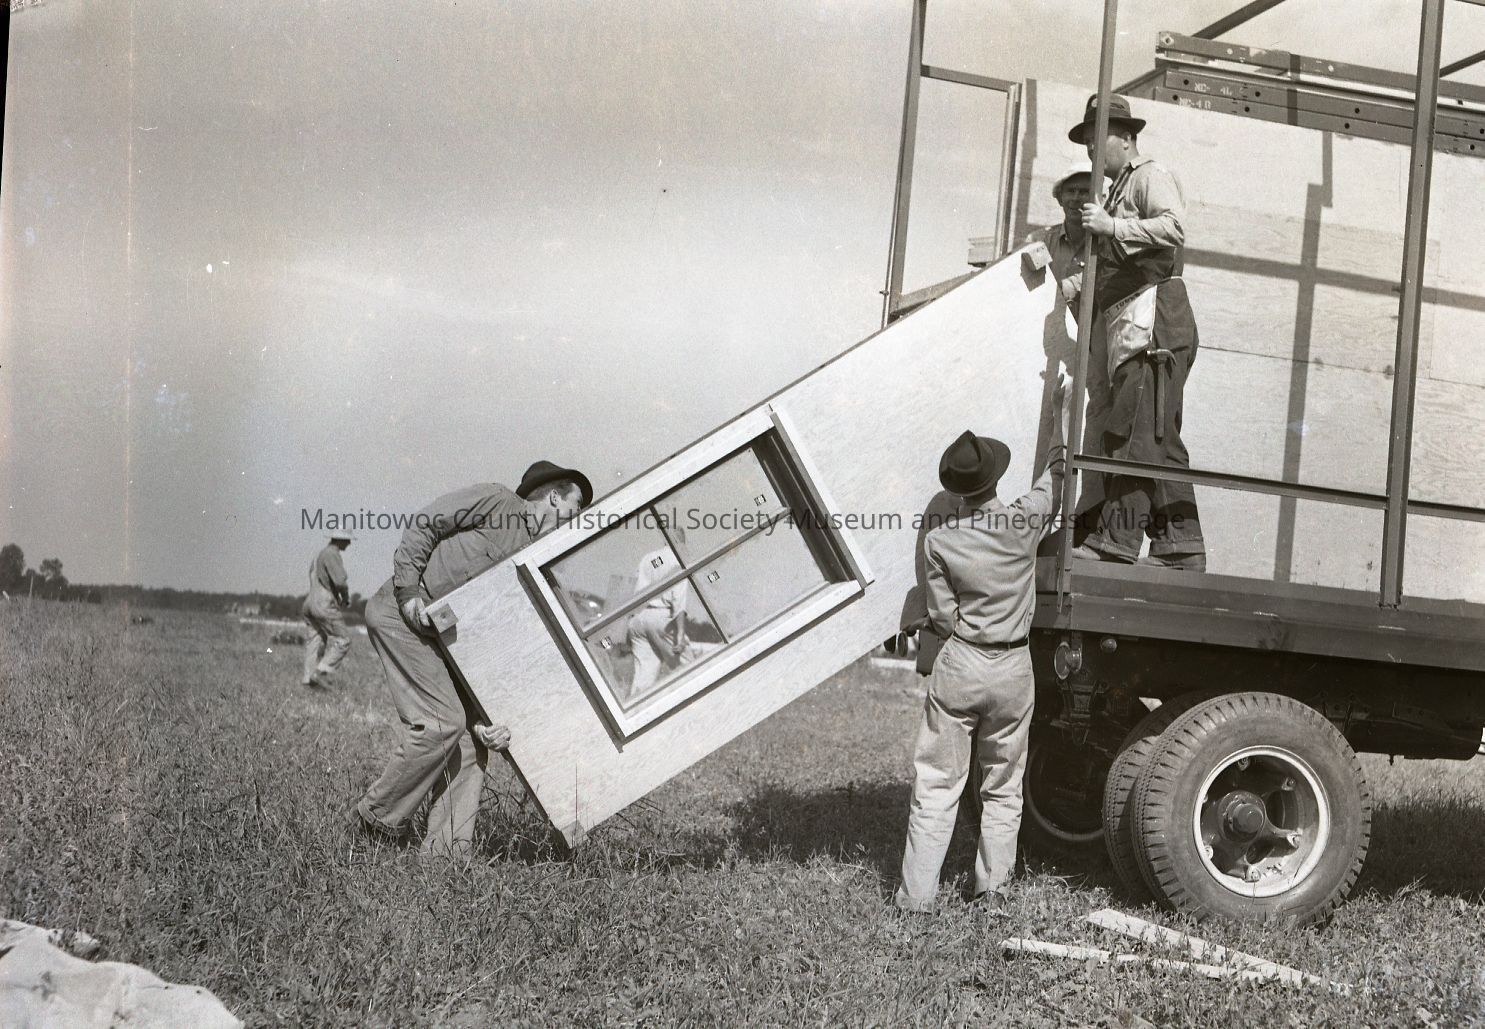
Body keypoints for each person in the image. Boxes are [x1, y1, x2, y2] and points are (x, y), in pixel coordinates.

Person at [895, 373, 1072, 915]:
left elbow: (943, 616)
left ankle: (916, 899)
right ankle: (991, 892)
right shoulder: (1023, 520)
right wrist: (1060, 411)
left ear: (955, 491)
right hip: (1014, 666)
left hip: (962, 662)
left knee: (937, 784)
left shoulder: (939, 541)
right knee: (1003, 785)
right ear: (996, 478)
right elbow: (1058, 474)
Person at [354, 460, 592, 858]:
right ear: (554, 496)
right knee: (442, 723)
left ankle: (444, 856)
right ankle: (375, 821)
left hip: (445, 648)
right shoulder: (497, 500)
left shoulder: (536, 567)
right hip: (401, 618)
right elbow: (426, 523)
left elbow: (492, 650)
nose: (578, 518)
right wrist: (409, 592)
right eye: (577, 505)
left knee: (468, 746)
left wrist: (484, 720)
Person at [1066, 93, 1207, 571]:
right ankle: (1181, 548)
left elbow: (1174, 228)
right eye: (1086, 140)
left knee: (1133, 434)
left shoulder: (1149, 175)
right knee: (1158, 438)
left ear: (1126, 138)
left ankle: (1115, 542)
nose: (1090, 148)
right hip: (1138, 327)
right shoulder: (1117, 190)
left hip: (1155, 322)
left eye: (1097, 137)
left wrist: (1111, 227)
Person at [1025, 166, 1108, 544]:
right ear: (1059, 200)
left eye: (1084, 192)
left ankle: (1077, 530)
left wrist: (1074, 284)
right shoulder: (1044, 239)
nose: (1076, 199)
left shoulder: (1103, 241)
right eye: (1070, 192)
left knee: (1085, 437)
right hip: (1051, 354)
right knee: (1046, 434)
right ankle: (1040, 526)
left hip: (1094, 351)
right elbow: (1025, 274)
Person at [625, 525, 693, 699]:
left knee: (642, 681)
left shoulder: (648, 558)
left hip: (639, 618)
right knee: (692, 668)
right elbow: (679, 600)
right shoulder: (678, 560)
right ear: (680, 541)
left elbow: (636, 591)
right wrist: (680, 633)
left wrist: (630, 622)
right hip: (662, 617)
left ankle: (634, 707)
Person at [300, 530, 353, 689]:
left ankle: (308, 680)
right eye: (347, 540)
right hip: (323, 602)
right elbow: (340, 581)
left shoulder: (318, 555)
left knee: (315, 640)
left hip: (309, 600)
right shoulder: (332, 554)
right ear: (340, 540)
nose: (349, 543)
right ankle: (320, 672)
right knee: (344, 640)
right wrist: (345, 597)